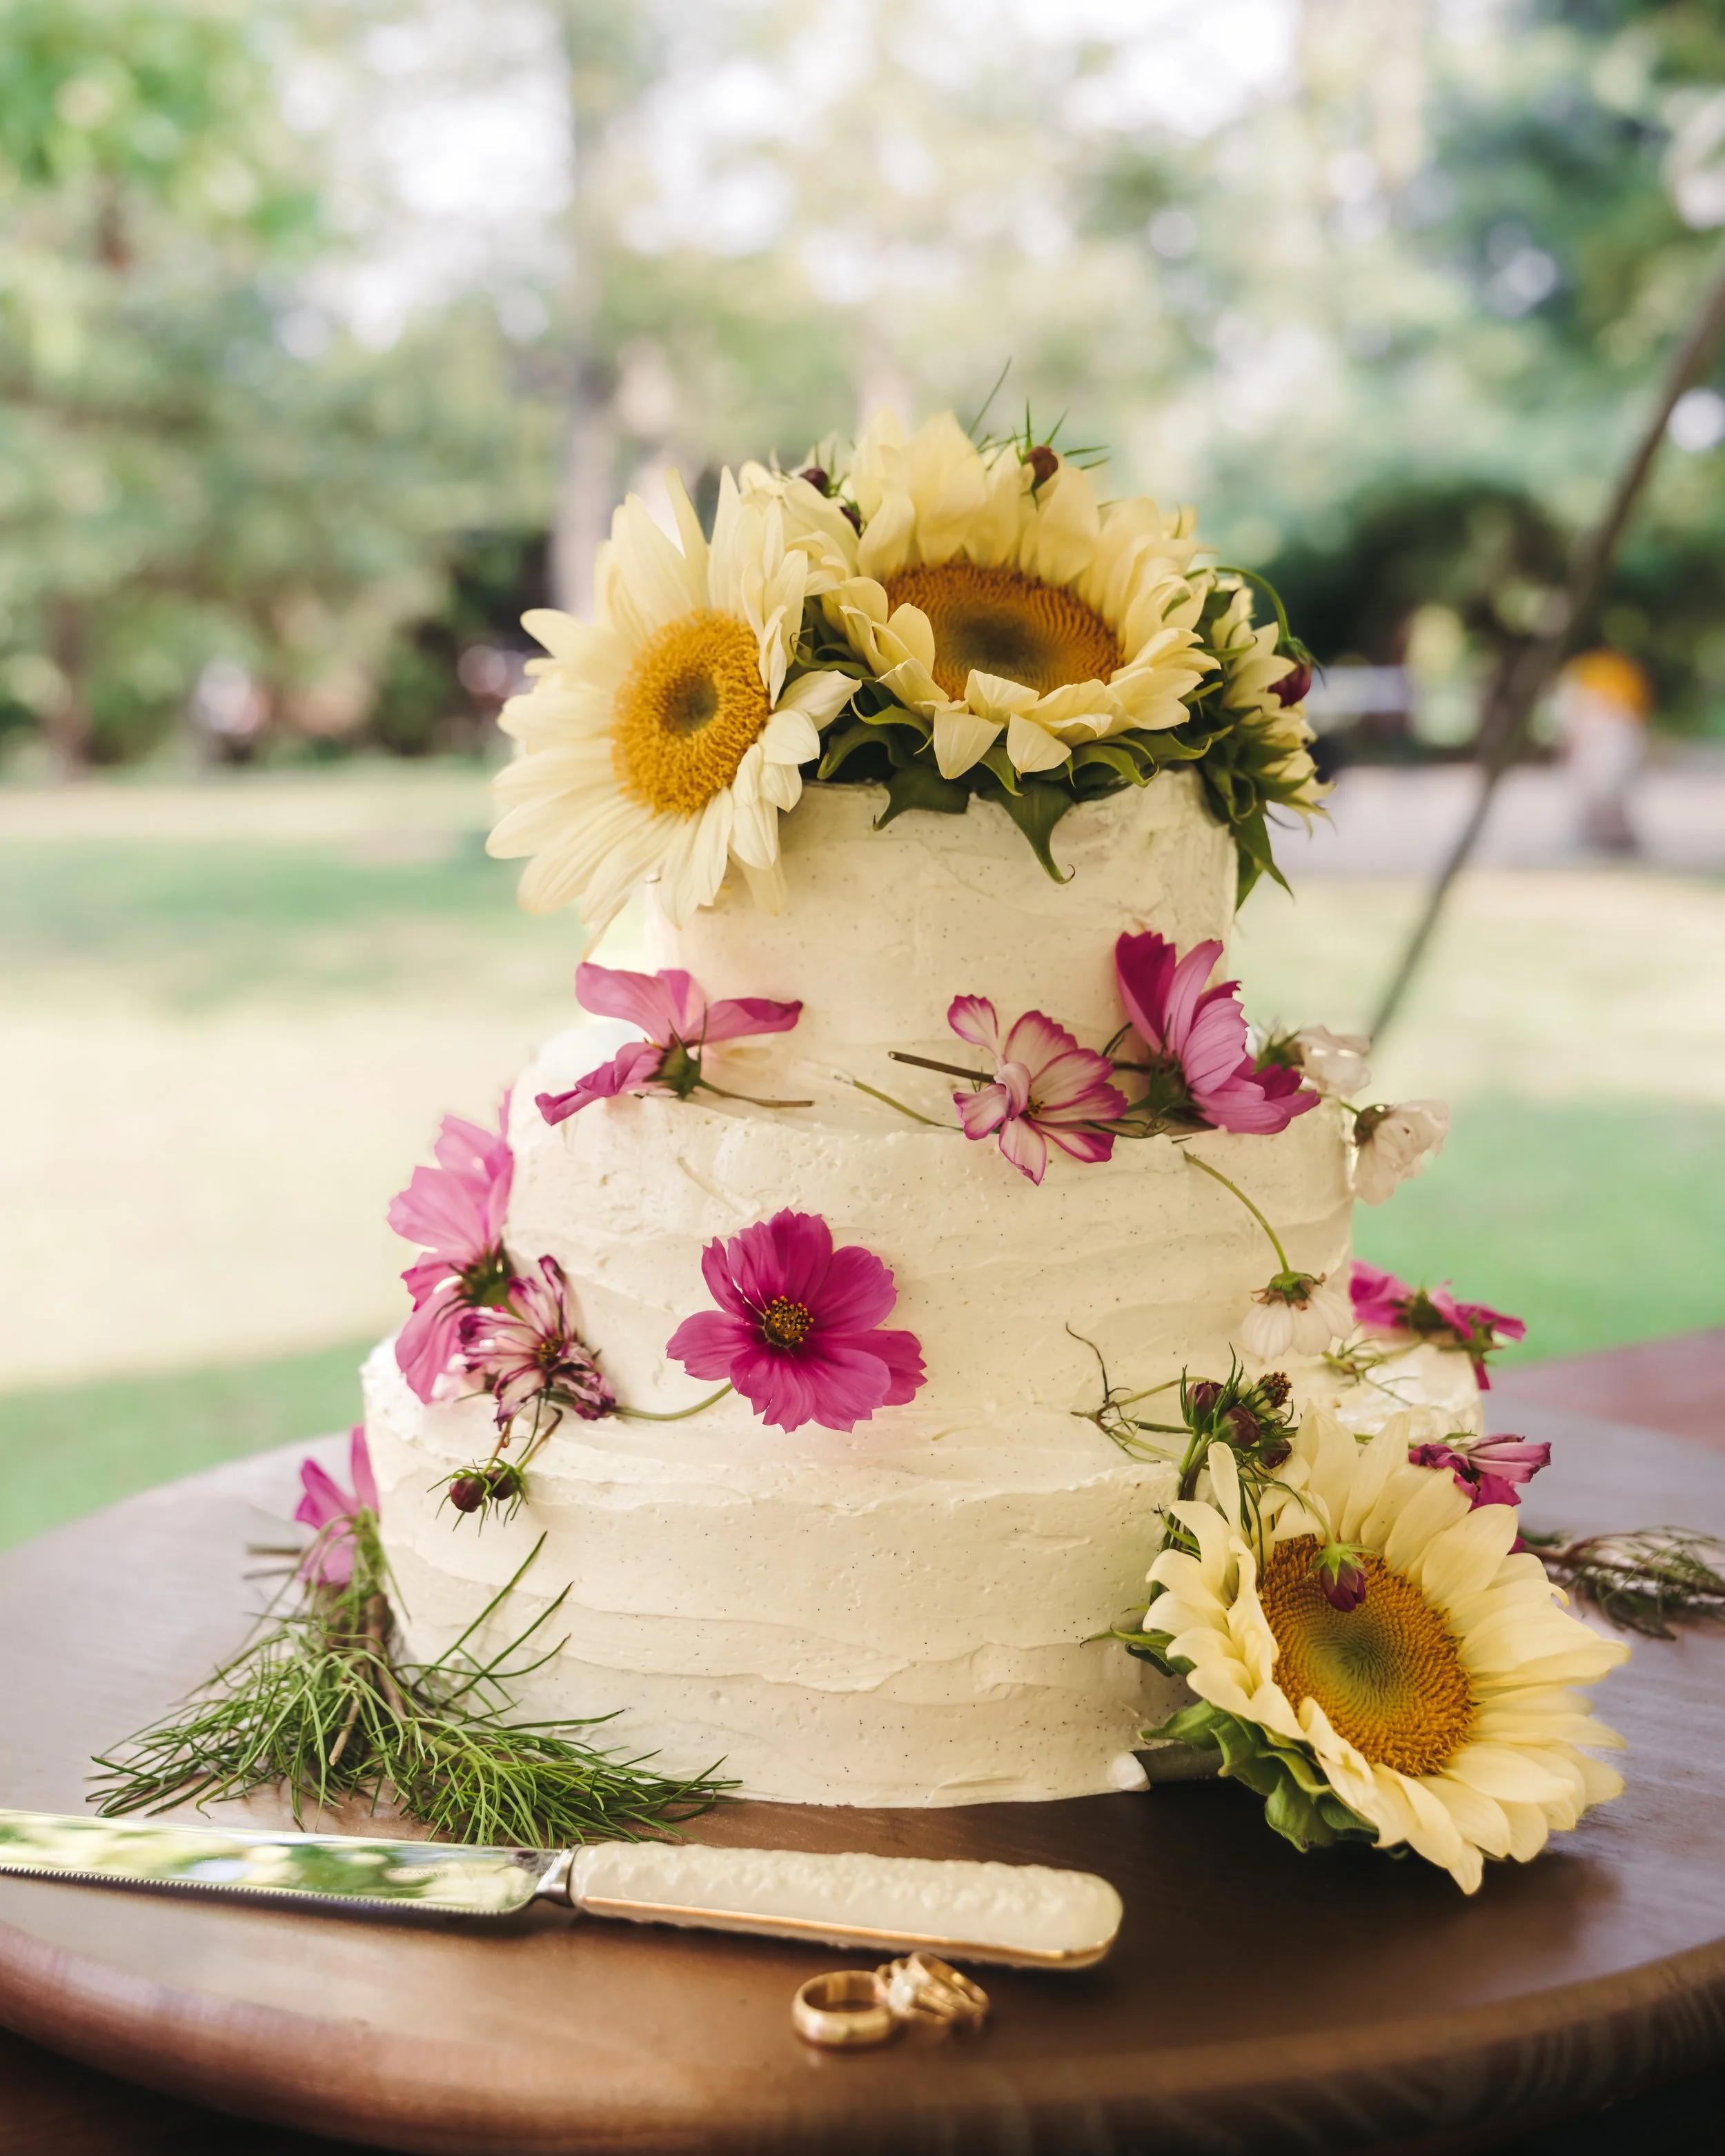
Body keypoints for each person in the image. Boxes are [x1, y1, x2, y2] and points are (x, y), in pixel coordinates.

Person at [1552, 647, 1653, 852]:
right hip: (1600, 746)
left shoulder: (1592, 675)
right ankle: (1600, 833)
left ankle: (1610, 834)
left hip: (1608, 745)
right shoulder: (1589, 676)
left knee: (1609, 792)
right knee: (1598, 793)